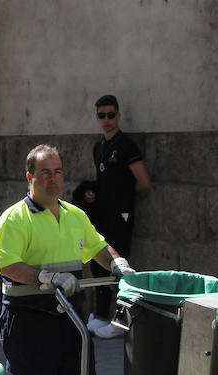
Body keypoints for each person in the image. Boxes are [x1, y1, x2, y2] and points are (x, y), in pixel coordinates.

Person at [0, 145, 135, 375]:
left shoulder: (74, 215)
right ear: (30, 177)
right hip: (27, 317)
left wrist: (118, 264)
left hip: (69, 317)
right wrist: (46, 277)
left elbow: (98, 246)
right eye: (45, 172)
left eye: (57, 171)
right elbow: (8, 264)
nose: (53, 178)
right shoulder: (14, 219)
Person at [76, 94, 151, 339]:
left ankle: (121, 320)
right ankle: (99, 315)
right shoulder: (99, 147)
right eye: (101, 115)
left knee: (120, 265)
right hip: (102, 214)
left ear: (118, 116)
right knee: (100, 264)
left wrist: (121, 199)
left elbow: (143, 182)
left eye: (110, 115)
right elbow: (102, 182)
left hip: (122, 215)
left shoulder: (126, 145)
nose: (106, 120)